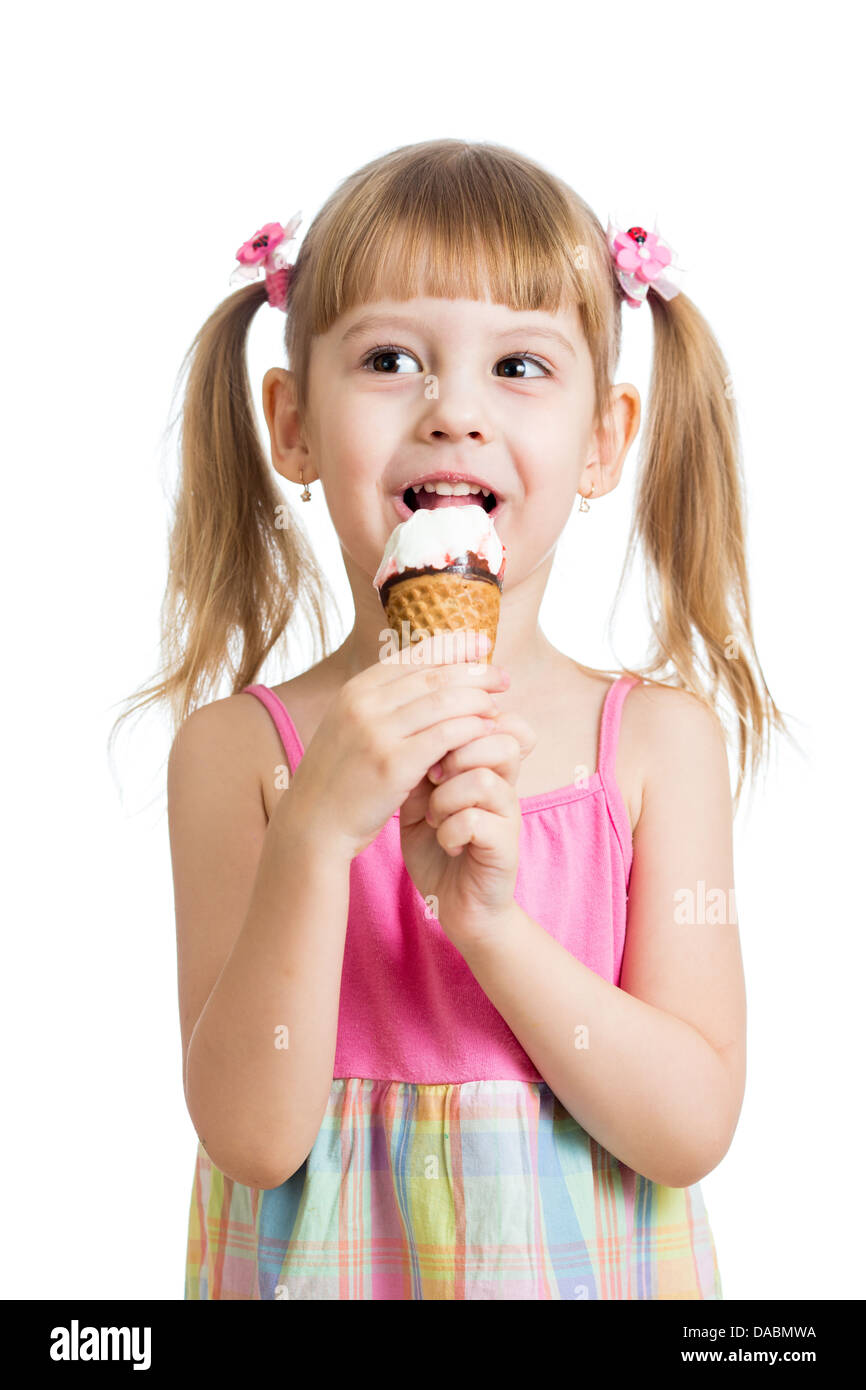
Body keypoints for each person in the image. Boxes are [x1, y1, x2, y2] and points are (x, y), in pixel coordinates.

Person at [114, 138, 791, 1299]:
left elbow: (687, 1129)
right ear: (291, 424)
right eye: (389, 358)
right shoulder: (239, 756)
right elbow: (250, 1136)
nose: (453, 412)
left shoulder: (657, 747)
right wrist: (314, 844)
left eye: (519, 367)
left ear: (602, 440)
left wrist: (492, 931)